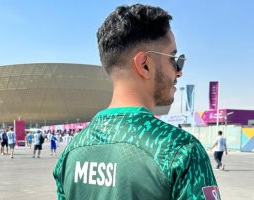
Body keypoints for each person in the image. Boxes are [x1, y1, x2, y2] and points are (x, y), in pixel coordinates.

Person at [53, 4, 219, 200]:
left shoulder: (71, 152)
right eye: (174, 58)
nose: (179, 71)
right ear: (144, 64)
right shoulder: (180, 150)